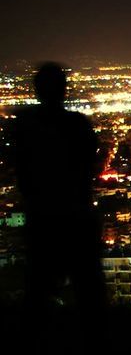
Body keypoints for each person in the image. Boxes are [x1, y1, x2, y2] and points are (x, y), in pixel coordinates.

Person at [8, 62, 104, 318]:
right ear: (64, 90)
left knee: (38, 287)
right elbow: (89, 166)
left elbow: (20, 170)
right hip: (76, 216)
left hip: (42, 217)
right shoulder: (77, 125)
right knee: (88, 289)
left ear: (37, 91)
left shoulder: (24, 126)